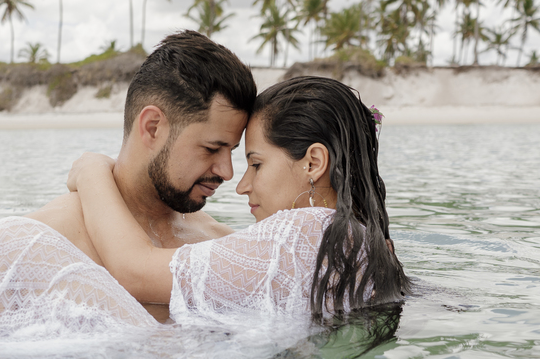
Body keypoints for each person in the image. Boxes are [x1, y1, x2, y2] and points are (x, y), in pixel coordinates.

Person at [0, 30, 256, 339]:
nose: (226, 171)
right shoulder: (32, 243)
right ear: (152, 127)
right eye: (211, 148)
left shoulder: (217, 240)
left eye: (233, 152)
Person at [67, 75, 409, 328]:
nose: (241, 185)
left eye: (256, 164)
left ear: (313, 163)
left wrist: (91, 170)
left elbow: (134, 272)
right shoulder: (368, 243)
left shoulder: (303, 232)